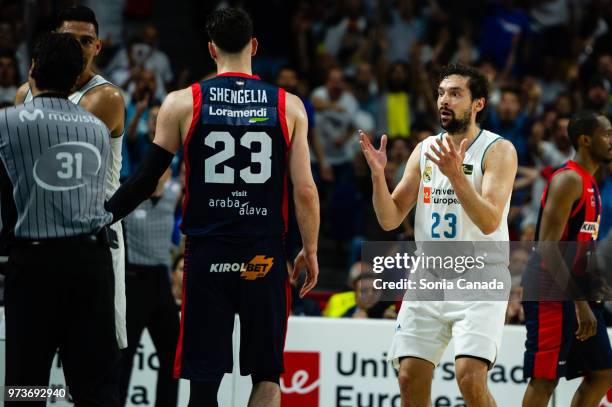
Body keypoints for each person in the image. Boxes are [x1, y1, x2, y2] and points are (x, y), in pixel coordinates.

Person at [104, 8, 320, 407]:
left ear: (210, 49)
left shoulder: (182, 102)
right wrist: (310, 248)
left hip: (208, 256)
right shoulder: (288, 106)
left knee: (204, 381)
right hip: (265, 253)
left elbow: (146, 178)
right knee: (267, 376)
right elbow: (304, 189)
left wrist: (103, 216)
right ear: (254, 46)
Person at [360, 63, 517, 406]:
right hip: (428, 275)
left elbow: (490, 220)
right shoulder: (424, 149)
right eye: (441, 93)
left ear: (478, 104)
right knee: (408, 377)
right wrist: (377, 176)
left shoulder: (498, 150)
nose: (445, 100)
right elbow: (389, 219)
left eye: (456, 93)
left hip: (480, 276)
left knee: (470, 378)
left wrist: (456, 175)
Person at [1, 33, 119, 406]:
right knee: (93, 387)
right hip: (91, 267)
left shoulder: (8, 122)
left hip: (34, 265)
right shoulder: (98, 130)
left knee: (26, 388)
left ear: (32, 69)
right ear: (73, 81)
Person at [14, 5, 128, 349]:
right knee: (34, 354)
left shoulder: (104, 97)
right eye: (69, 39)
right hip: (41, 233)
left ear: (98, 47)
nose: (78, 48)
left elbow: (52, 139)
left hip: (93, 236)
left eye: (86, 40)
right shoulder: (25, 92)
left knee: (94, 355)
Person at [521, 111, 612, 407]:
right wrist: (580, 303)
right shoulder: (568, 180)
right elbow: (548, 246)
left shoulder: (591, 183)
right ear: (585, 140)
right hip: (550, 289)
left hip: (577, 291)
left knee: (602, 372)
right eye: (607, 134)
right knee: (545, 379)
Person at [119, 169, 181, 407]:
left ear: (169, 175)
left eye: (164, 172)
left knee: (173, 355)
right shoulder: (130, 197)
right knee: (125, 357)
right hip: (134, 280)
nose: (159, 177)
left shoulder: (174, 193)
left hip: (161, 281)